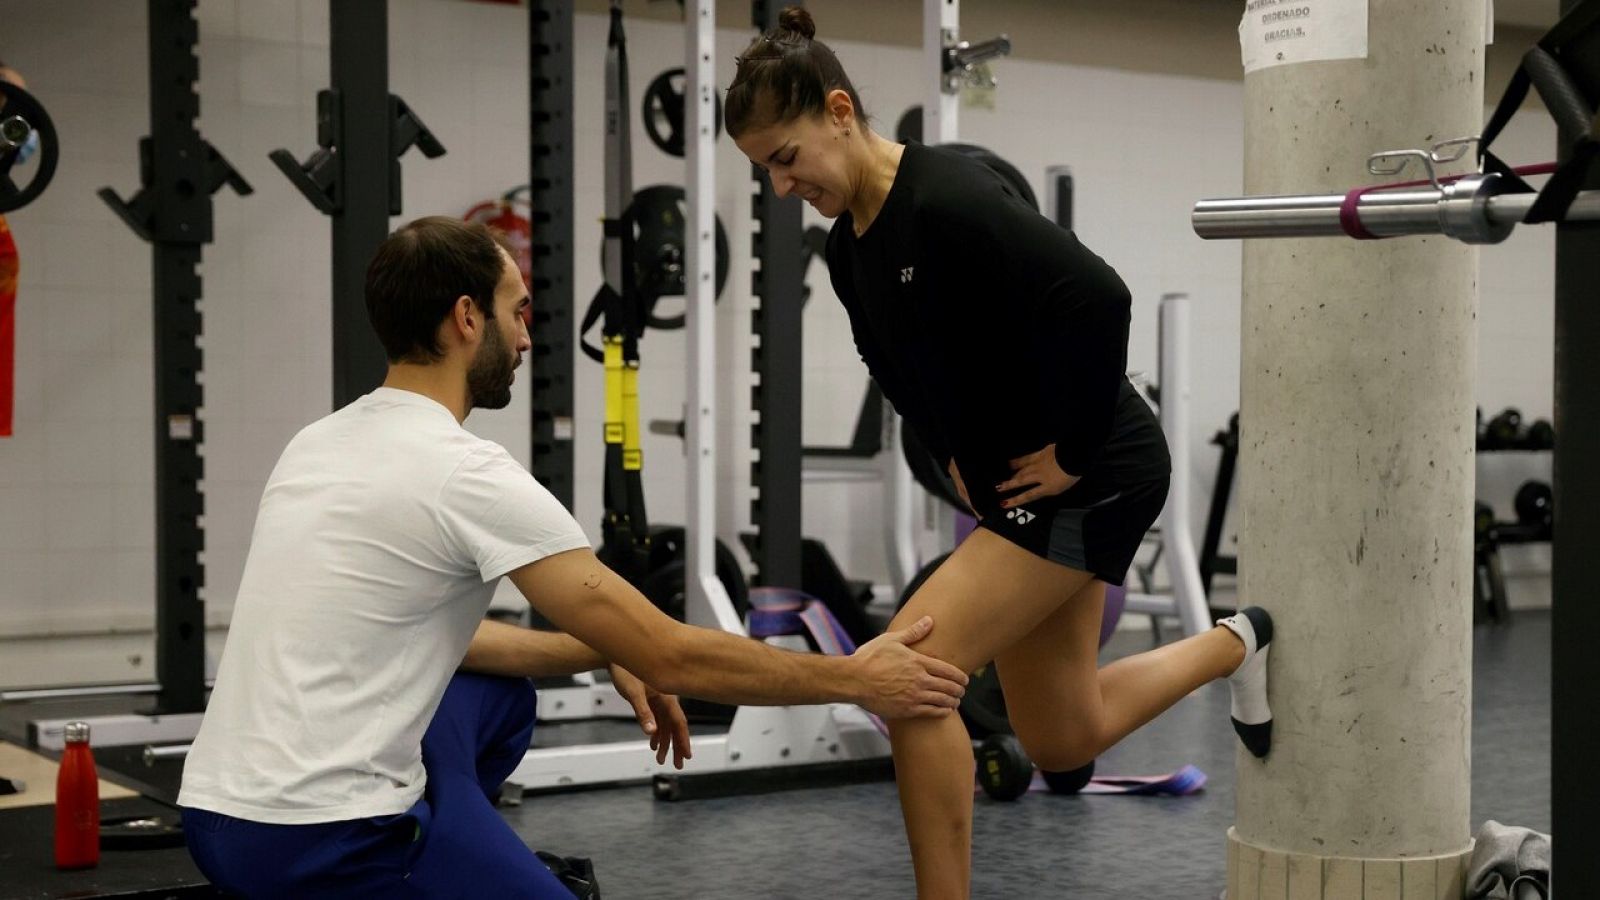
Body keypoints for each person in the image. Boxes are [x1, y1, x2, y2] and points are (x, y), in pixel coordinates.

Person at [176, 216, 970, 899]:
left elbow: (437, 639)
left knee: (502, 698)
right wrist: (859, 678)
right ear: (465, 319)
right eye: (516, 312)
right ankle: (424, 867)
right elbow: (673, 651)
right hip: (325, 841)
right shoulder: (466, 471)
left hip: (215, 816)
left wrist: (600, 647)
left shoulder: (318, 442)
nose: (527, 335)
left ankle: (453, 846)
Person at [726, 9, 1275, 898]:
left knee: (909, 672)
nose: (783, 186)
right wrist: (949, 456)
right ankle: (1240, 643)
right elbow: (893, 365)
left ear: (837, 111)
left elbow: (1100, 298)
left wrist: (1077, 450)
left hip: (1098, 472)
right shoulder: (847, 252)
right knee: (1062, 738)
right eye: (764, 172)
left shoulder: (947, 201)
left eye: (786, 159)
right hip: (1021, 489)